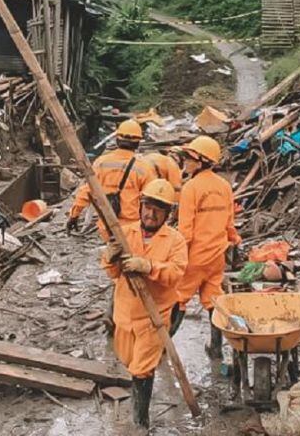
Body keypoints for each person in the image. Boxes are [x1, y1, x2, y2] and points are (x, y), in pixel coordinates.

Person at [100, 179, 187, 428]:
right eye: (148, 207)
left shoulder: (175, 240)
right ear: (140, 206)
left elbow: (175, 273)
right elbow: (113, 273)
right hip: (125, 314)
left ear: (167, 214)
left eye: (158, 210)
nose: (150, 214)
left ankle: (140, 424)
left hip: (153, 317)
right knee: (129, 360)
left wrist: (148, 266)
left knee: (142, 369)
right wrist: (109, 258)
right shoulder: (125, 234)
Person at [171, 135, 240, 359]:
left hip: (194, 256)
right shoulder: (224, 186)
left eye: (189, 158)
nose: (185, 161)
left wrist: (176, 256)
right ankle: (216, 347)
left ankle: (163, 345)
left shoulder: (191, 188)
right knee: (213, 298)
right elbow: (230, 223)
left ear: (201, 161)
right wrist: (234, 240)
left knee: (179, 298)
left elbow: (186, 230)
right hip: (217, 255)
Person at [66, 119, 157, 241]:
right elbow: (151, 200)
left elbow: (87, 191)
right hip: (131, 227)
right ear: (138, 143)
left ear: (117, 140)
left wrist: (74, 215)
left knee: (112, 250)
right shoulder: (144, 168)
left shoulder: (101, 162)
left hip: (107, 225)